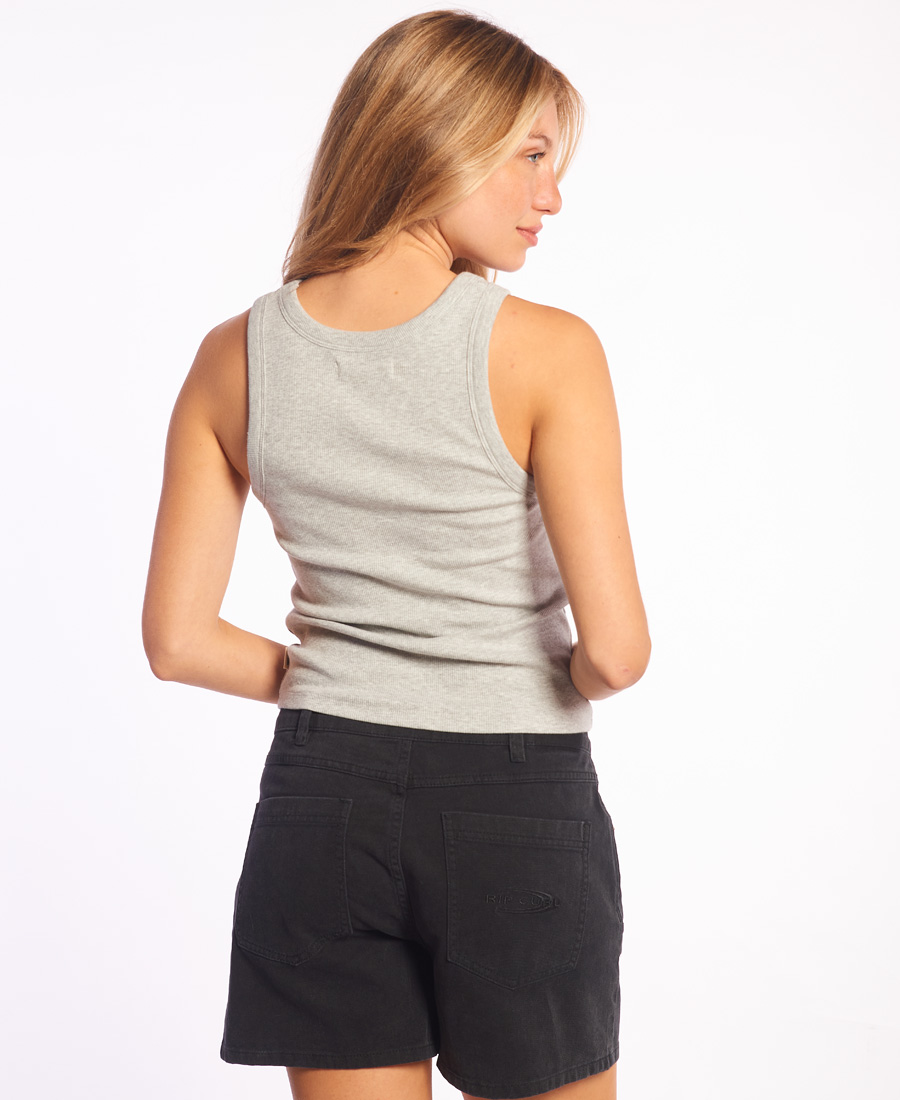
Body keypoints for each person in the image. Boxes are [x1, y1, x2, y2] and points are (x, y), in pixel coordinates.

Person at [142, 10, 650, 1100]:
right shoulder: (547, 351)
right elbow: (617, 652)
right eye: (530, 155)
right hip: (514, 802)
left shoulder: (232, 357)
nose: (552, 196)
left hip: (319, 796)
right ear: (438, 138)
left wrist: (342, 675)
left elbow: (177, 642)